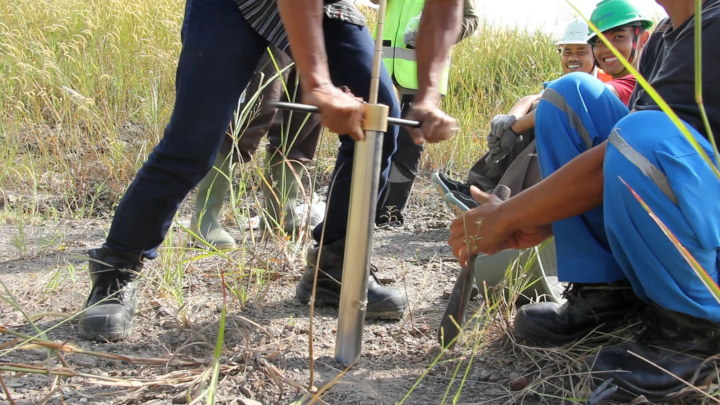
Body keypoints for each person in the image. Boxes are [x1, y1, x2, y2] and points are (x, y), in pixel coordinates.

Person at [78, 0, 460, 342]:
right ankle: (118, 267)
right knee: (194, 139)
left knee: (379, 124)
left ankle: (335, 271)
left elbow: (444, 7)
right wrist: (318, 84)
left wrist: (428, 96)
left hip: (329, 6)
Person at [449, 0, 720, 401]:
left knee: (645, 133)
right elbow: (625, 171)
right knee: (569, 95)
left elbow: (633, 148)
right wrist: (544, 219)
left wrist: (506, 216)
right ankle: (606, 292)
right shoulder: (666, 35)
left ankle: (696, 332)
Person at [433, 17, 610, 205]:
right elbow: (536, 98)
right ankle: (478, 189)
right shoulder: (562, 84)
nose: (573, 58)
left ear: (594, 54)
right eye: (567, 52)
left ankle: (501, 200)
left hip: (589, 151)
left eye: (581, 52)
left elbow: (555, 108)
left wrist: (514, 128)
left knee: (544, 125)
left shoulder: (601, 84)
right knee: (530, 113)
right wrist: (510, 119)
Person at [191, 46, 322, 249]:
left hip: (324, 23)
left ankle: (280, 217)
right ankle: (205, 217)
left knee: (305, 118)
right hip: (272, 24)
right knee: (256, 106)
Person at [374, 0, 480, 226]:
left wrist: (437, 36)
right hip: (379, 69)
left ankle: (389, 214)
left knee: (407, 145)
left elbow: (470, 19)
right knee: (373, 140)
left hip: (419, 77)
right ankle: (365, 207)